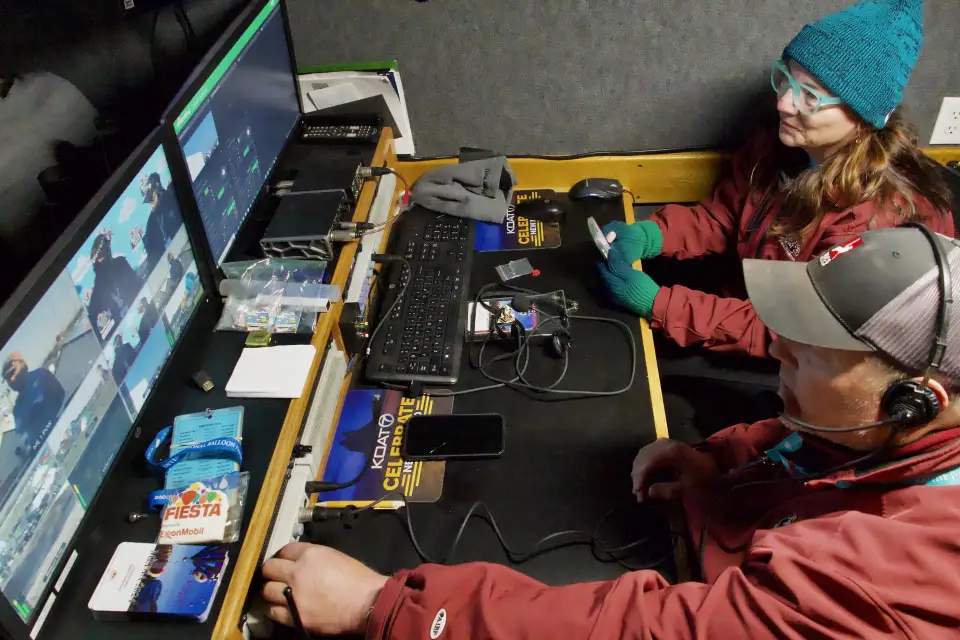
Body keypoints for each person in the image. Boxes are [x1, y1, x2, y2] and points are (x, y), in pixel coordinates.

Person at [261, 226, 960, 637]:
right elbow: (829, 443)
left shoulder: (899, 572)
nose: (774, 353)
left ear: (914, 402)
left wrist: (380, 608)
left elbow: (643, 633)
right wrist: (721, 459)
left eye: (805, 354)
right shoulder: (901, 428)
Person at [599, 0, 953, 359]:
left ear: (865, 117)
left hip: (804, 361)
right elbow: (725, 216)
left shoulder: (877, 225)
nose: (784, 103)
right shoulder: (784, 141)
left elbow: (791, 331)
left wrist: (656, 304)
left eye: (810, 96)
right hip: (750, 303)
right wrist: (649, 235)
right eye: (786, 79)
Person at [87, 232, 142, 339]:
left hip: (138, 315)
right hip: (124, 332)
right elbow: (97, 323)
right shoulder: (98, 288)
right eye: (99, 257)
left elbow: (138, 285)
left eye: (104, 252)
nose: (103, 259)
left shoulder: (121, 263)